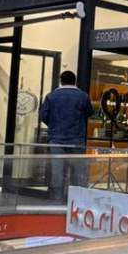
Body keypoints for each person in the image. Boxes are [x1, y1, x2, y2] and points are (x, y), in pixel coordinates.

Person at [39, 70, 94, 200]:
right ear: (75, 81)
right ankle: (77, 200)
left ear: (61, 81)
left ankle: (57, 199)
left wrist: (54, 125)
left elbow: (43, 115)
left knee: (57, 171)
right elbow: (89, 112)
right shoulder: (83, 96)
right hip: (77, 139)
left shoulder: (51, 96)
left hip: (56, 139)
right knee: (78, 172)